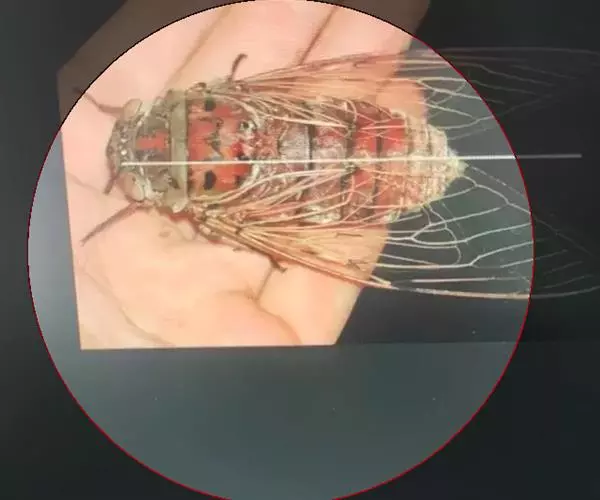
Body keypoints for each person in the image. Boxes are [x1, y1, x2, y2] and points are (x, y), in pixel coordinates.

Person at [61, 0, 429, 349]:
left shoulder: (204, 208)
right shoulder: (206, 102)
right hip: (334, 138)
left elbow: (230, 226)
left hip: (323, 183)